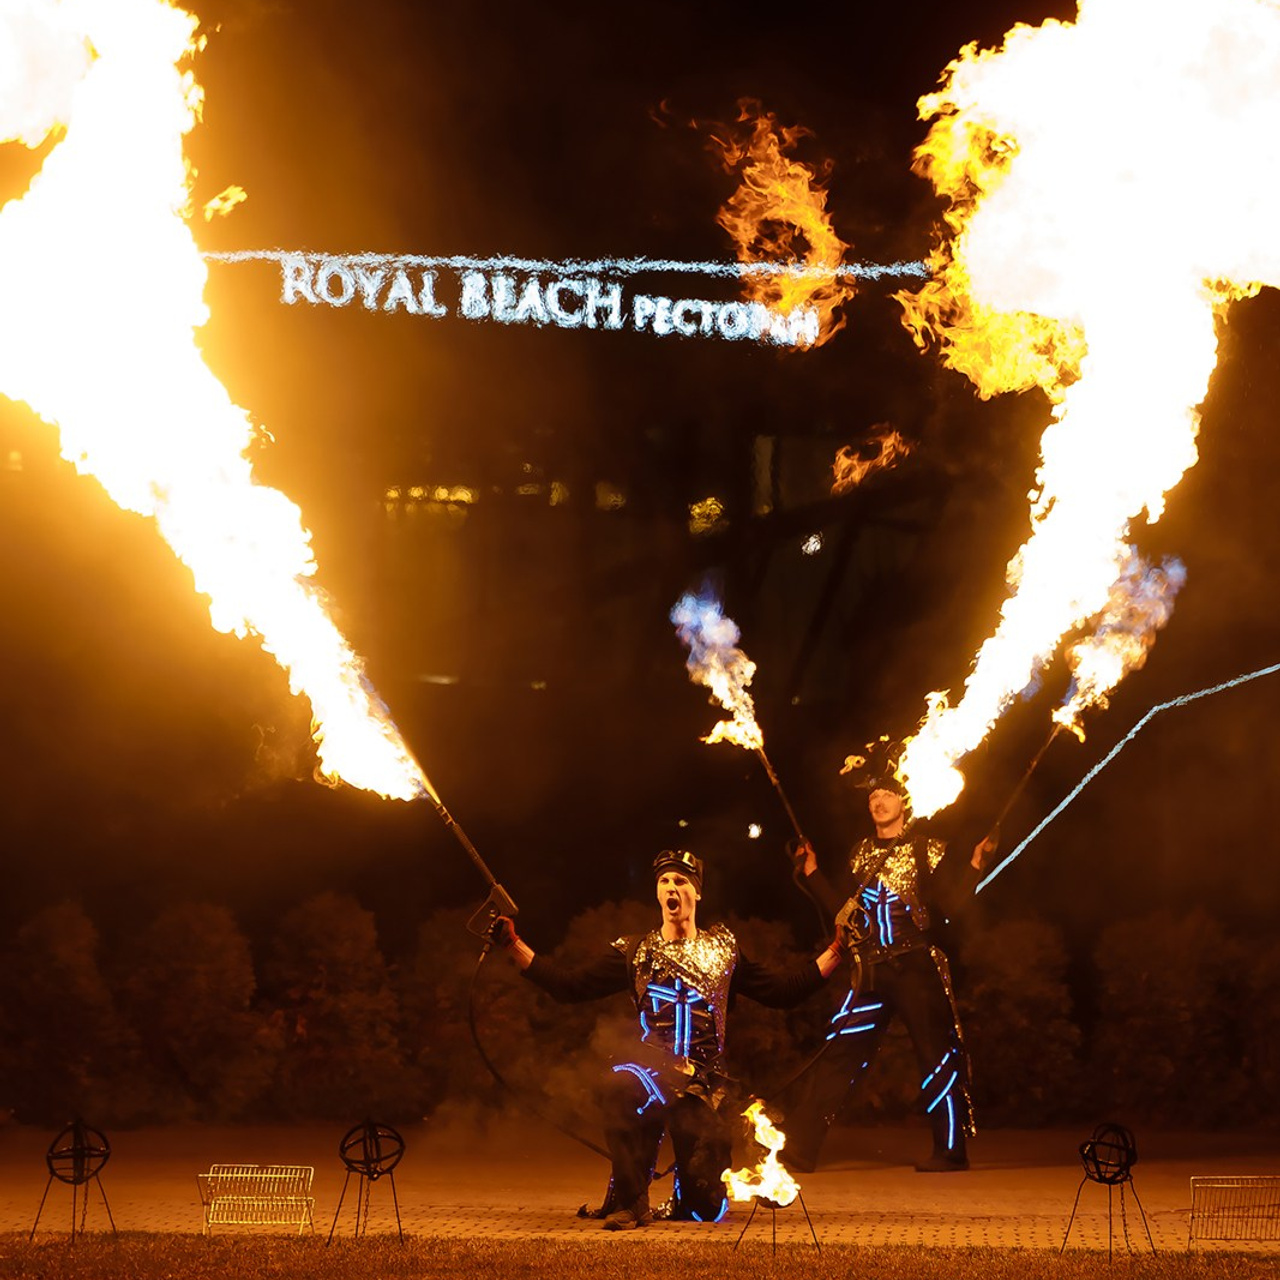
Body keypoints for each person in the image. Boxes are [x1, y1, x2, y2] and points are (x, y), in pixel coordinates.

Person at [495, 849, 845, 1230]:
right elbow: (570, 986)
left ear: (697, 893)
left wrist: (838, 950)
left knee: (704, 1211)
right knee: (620, 1085)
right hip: (651, 1074)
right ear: (657, 894)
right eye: (664, 881)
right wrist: (514, 945)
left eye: (680, 880)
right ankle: (632, 1203)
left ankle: (688, 1198)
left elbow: (782, 991)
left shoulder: (724, 952)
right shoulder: (635, 952)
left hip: (706, 1086)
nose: (671, 887)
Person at [774, 742, 996, 1174]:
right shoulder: (860, 854)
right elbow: (845, 909)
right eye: (872, 796)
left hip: (915, 965)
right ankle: (800, 1148)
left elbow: (948, 908)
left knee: (935, 1054)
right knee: (840, 1052)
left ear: (905, 803)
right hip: (871, 970)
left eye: (887, 795)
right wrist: (812, 871)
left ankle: (950, 1152)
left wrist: (975, 864)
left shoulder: (926, 849)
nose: (877, 801)